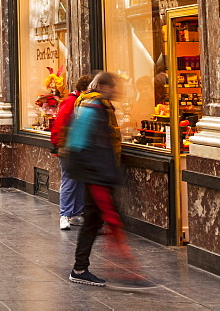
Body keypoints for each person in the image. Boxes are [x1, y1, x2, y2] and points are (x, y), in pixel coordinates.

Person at [65, 72, 151, 289]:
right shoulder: (95, 108)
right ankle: (128, 275)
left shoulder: (96, 106)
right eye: (114, 87)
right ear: (104, 87)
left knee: (93, 223)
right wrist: (100, 172)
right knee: (112, 220)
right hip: (96, 175)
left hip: (96, 174)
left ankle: (80, 269)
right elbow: (80, 143)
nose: (117, 91)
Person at [52, 74, 90, 231]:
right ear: (83, 90)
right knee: (69, 180)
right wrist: (58, 144)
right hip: (68, 148)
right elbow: (59, 123)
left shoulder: (82, 102)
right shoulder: (71, 102)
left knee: (79, 180)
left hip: (80, 147)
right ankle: (65, 215)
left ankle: (75, 213)